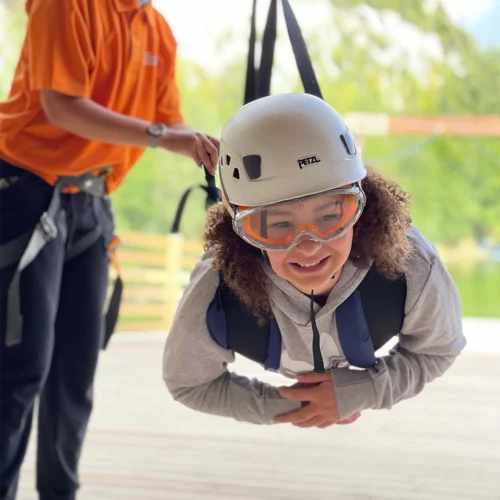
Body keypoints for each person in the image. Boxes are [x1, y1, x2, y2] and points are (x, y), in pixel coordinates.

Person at [0, 1, 219, 499]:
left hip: (94, 203)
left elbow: (171, 122)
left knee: (74, 377)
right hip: (25, 193)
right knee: (19, 371)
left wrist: (215, 149)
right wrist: (165, 138)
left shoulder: (157, 29)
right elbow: (62, 106)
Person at [163, 92, 466, 428]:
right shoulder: (218, 289)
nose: (308, 246)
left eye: (330, 215)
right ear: (243, 232)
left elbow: (438, 349)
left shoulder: (409, 264)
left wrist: (363, 391)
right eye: (277, 224)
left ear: (360, 207)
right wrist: (295, 407)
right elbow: (188, 382)